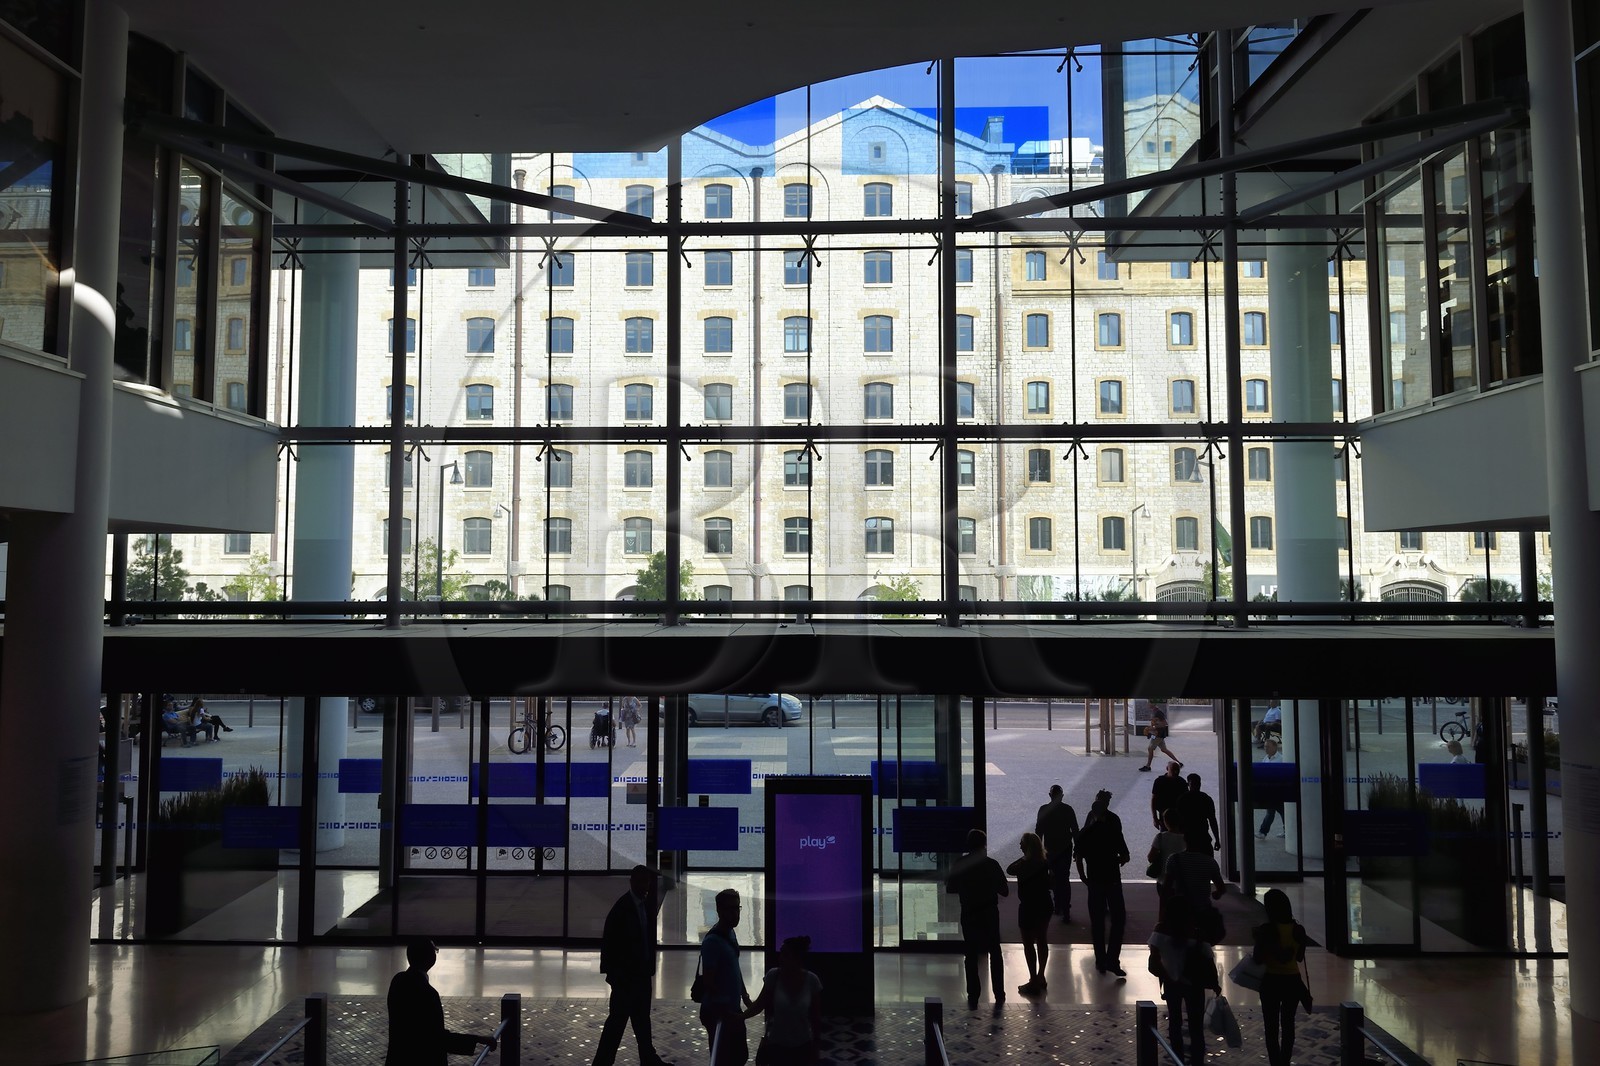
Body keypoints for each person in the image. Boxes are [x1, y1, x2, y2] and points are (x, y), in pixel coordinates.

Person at [594, 866, 673, 1066]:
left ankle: (644, 1058)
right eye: (640, 882)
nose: (644, 886)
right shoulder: (623, 909)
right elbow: (611, 945)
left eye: (646, 882)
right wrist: (615, 977)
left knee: (636, 1022)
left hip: (639, 977)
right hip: (627, 980)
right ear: (632, 882)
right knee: (620, 1023)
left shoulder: (640, 906)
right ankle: (610, 1062)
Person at [385, 938, 498, 1066]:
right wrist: (477, 1039)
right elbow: (437, 1038)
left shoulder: (398, 981)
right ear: (429, 958)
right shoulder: (428, 993)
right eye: (435, 951)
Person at [1147, 896, 1220, 1065]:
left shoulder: (1161, 929)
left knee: (1174, 1021)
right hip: (1194, 983)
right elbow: (1208, 958)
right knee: (1196, 1026)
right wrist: (1214, 982)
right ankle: (1197, 1059)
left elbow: (1154, 956)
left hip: (1171, 982)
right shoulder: (1197, 932)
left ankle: (1176, 1056)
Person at [944, 828, 1008, 1008]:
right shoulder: (992, 864)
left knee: (970, 953)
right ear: (984, 844)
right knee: (995, 951)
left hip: (969, 911)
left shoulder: (960, 863)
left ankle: (973, 993)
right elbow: (1004, 890)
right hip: (989, 911)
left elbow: (950, 888)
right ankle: (999, 992)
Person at [1252, 889, 1312, 1066]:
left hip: (1270, 981)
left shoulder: (1266, 930)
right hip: (1292, 982)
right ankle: (1285, 1062)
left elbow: (1257, 958)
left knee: (1271, 1027)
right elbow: (1299, 957)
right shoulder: (1298, 930)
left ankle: (1274, 1062)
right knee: (1288, 1025)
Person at [1074, 789, 1130, 977]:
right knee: (1118, 919)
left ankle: (1100, 960)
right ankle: (1112, 959)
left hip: (1095, 879)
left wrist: (1083, 876)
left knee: (1097, 921)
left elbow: (1079, 853)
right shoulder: (1114, 823)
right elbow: (1124, 852)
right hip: (1112, 878)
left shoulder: (1088, 829)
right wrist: (1120, 858)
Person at [744, 935, 823, 1066]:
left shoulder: (812, 981)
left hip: (802, 1046)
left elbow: (816, 1017)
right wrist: (740, 1017)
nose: (780, 958)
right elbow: (759, 1005)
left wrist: (816, 1046)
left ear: (797, 958)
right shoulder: (773, 976)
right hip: (777, 1045)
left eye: (785, 954)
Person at [700, 888, 752, 1066]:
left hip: (731, 1009)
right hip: (720, 1013)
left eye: (737, 908)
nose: (735, 913)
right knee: (725, 1058)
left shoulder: (730, 933)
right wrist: (724, 1010)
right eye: (730, 909)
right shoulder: (713, 942)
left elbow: (734, 968)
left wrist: (744, 995)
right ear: (719, 911)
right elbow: (709, 981)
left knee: (738, 1056)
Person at [1160, 829, 1227, 945]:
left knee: (1179, 944)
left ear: (1185, 840)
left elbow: (1166, 889)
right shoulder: (1210, 862)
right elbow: (1221, 888)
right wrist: (1216, 894)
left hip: (1181, 909)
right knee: (1202, 944)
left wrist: (1163, 914)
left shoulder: (1174, 859)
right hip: (1202, 910)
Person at [1005, 832, 1053, 994]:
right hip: (1045, 904)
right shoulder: (1044, 862)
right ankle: (1041, 975)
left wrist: (1024, 857)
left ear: (1027, 846)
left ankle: (1033, 978)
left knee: (1028, 943)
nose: (1019, 845)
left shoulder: (1023, 865)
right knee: (1042, 940)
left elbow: (1009, 869)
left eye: (1021, 843)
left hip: (1028, 906)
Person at [1034, 783, 1079, 922]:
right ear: (1062, 796)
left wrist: (1037, 851)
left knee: (1052, 876)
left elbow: (1038, 831)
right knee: (1064, 878)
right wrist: (1077, 849)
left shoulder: (1043, 809)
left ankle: (1057, 904)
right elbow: (1075, 830)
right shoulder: (1068, 809)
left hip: (1049, 849)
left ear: (1050, 796)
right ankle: (1065, 910)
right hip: (1065, 848)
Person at [1174, 773, 1221, 851]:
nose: (1196, 786)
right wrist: (1217, 839)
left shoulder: (1182, 799)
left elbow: (1177, 820)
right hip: (1202, 836)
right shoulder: (1206, 799)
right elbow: (1212, 820)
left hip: (1187, 837)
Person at [1147, 809, 1187, 892]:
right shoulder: (1187, 838)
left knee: (1165, 903)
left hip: (1163, 880)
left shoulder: (1160, 837)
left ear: (1165, 821)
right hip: (1183, 880)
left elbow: (1150, 857)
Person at [1258, 737, 1286, 838]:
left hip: (1278, 791)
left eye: (1268, 747)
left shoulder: (1281, 759)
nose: (1265, 749)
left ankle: (1263, 832)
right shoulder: (1266, 758)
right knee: (1274, 812)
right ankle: (1263, 832)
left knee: (1275, 812)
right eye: (1265, 747)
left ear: (1275, 747)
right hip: (1270, 791)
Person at [1139, 702, 1180, 771]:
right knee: (1164, 749)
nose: (1147, 704)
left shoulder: (1158, 712)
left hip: (1158, 734)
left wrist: (1154, 727)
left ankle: (1148, 766)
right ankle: (1178, 763)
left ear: (1153, 703)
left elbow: (1164, 724)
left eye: (1149, 703)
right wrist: (1150, 730)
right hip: (1157, 734)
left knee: (1150, 748)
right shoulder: (1154, 712)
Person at [1150, 761, 1187, 833]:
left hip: (1178, 815)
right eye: (1173, 769)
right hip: (1164, 815)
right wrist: (1155, 818)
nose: (1176, 772)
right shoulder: (1159, 781)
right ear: (1167, 769)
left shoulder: (1181, 782)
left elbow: (1186, 801)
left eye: (1177, 770)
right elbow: (1153, 800)